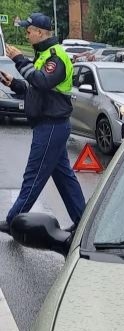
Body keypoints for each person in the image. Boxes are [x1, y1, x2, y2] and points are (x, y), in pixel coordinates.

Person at [0, 13, 85, 235]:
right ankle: (83, 223)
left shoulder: (55, 57)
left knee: (34, 175)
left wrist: (19, 59)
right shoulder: (43, 55)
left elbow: (43, 82)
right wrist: (16, 84)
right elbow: (36, 89)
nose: (27, 35)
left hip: (51, 126)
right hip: (49, 125)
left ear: (40, 32)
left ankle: (12, 221)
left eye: (29, 31)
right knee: (65, 178)